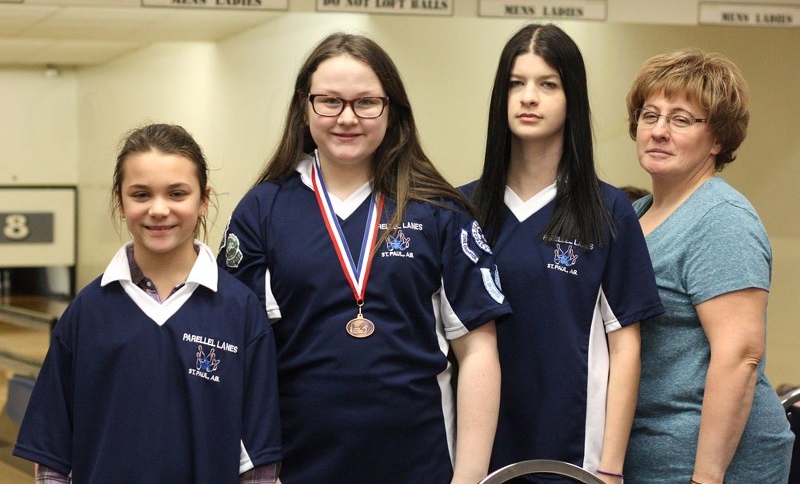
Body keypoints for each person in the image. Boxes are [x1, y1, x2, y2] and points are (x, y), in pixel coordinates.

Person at [217, 32, 511, 484]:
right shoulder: (263, 210)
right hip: (296, 468)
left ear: (391, 109)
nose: (347, 118)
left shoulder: (438, 212)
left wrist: (469, 478)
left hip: (420, 467)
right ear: (304, 107)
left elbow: (477, 350)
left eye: (366, 102)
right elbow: (237, 354)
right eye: (330, 101)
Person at [14, 124, 282, 483]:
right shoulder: (88, 311)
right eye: (141, 194)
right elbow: (52, 458)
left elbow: (258, 464)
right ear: (120, 203)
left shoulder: (240, 310)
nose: (159, 209)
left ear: (203, 200)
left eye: (176, 193)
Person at [463, 23, 663, 483]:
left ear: (571, 97)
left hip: (575, 457)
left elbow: (626, 345)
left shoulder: (608, 209)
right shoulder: (461, 210)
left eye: (547, 84)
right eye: (516, 84)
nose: (528, 97)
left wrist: (610, 469)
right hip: (478, 458)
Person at [622, 48, 794, 483]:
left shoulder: (721, 218)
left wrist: (707, 478)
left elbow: (739, 356)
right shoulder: (638, 213)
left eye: (680, 120)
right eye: (650, 115)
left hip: (708, 468)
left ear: (717, 139)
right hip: (652, 457)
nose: (659, 131)